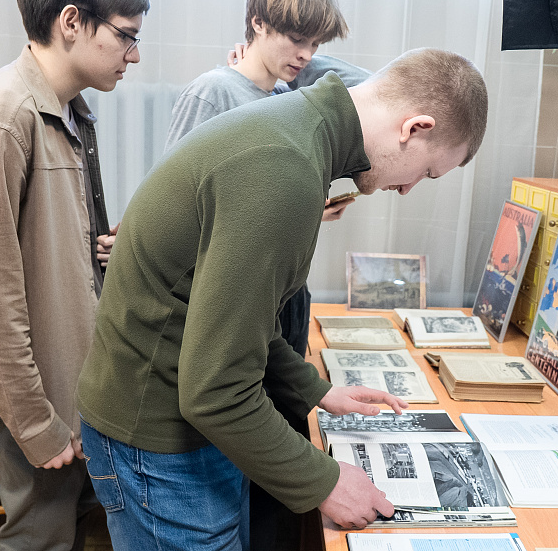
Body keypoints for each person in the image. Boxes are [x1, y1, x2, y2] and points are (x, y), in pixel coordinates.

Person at [76, 46, 489, 550]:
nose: (408, 190)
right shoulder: (284, 167)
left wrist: (315, 390)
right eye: (426, 173)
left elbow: (243, 320)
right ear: (414, 128)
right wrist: (324, 481)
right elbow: (215, 388)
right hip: (158, 440)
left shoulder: (299, 132)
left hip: (172, 417)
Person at [0, 0, 149, 549]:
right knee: (40, 539)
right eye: (125, 37)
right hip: (34, 392)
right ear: (72, 22)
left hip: (74, 379)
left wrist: (101, 248)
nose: (133, 55)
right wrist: (34, 422)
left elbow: (45, 250)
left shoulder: (69, 112)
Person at [163, 0, 369, 548]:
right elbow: (179, 203)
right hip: (226, 291)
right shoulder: (214, 92)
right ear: (256, 23)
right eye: (294, 39)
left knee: (282, 422)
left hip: (280, 292)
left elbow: (375, 86)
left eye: (315, 44)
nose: (305, 55)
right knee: (244, 426)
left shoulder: (287, 93)